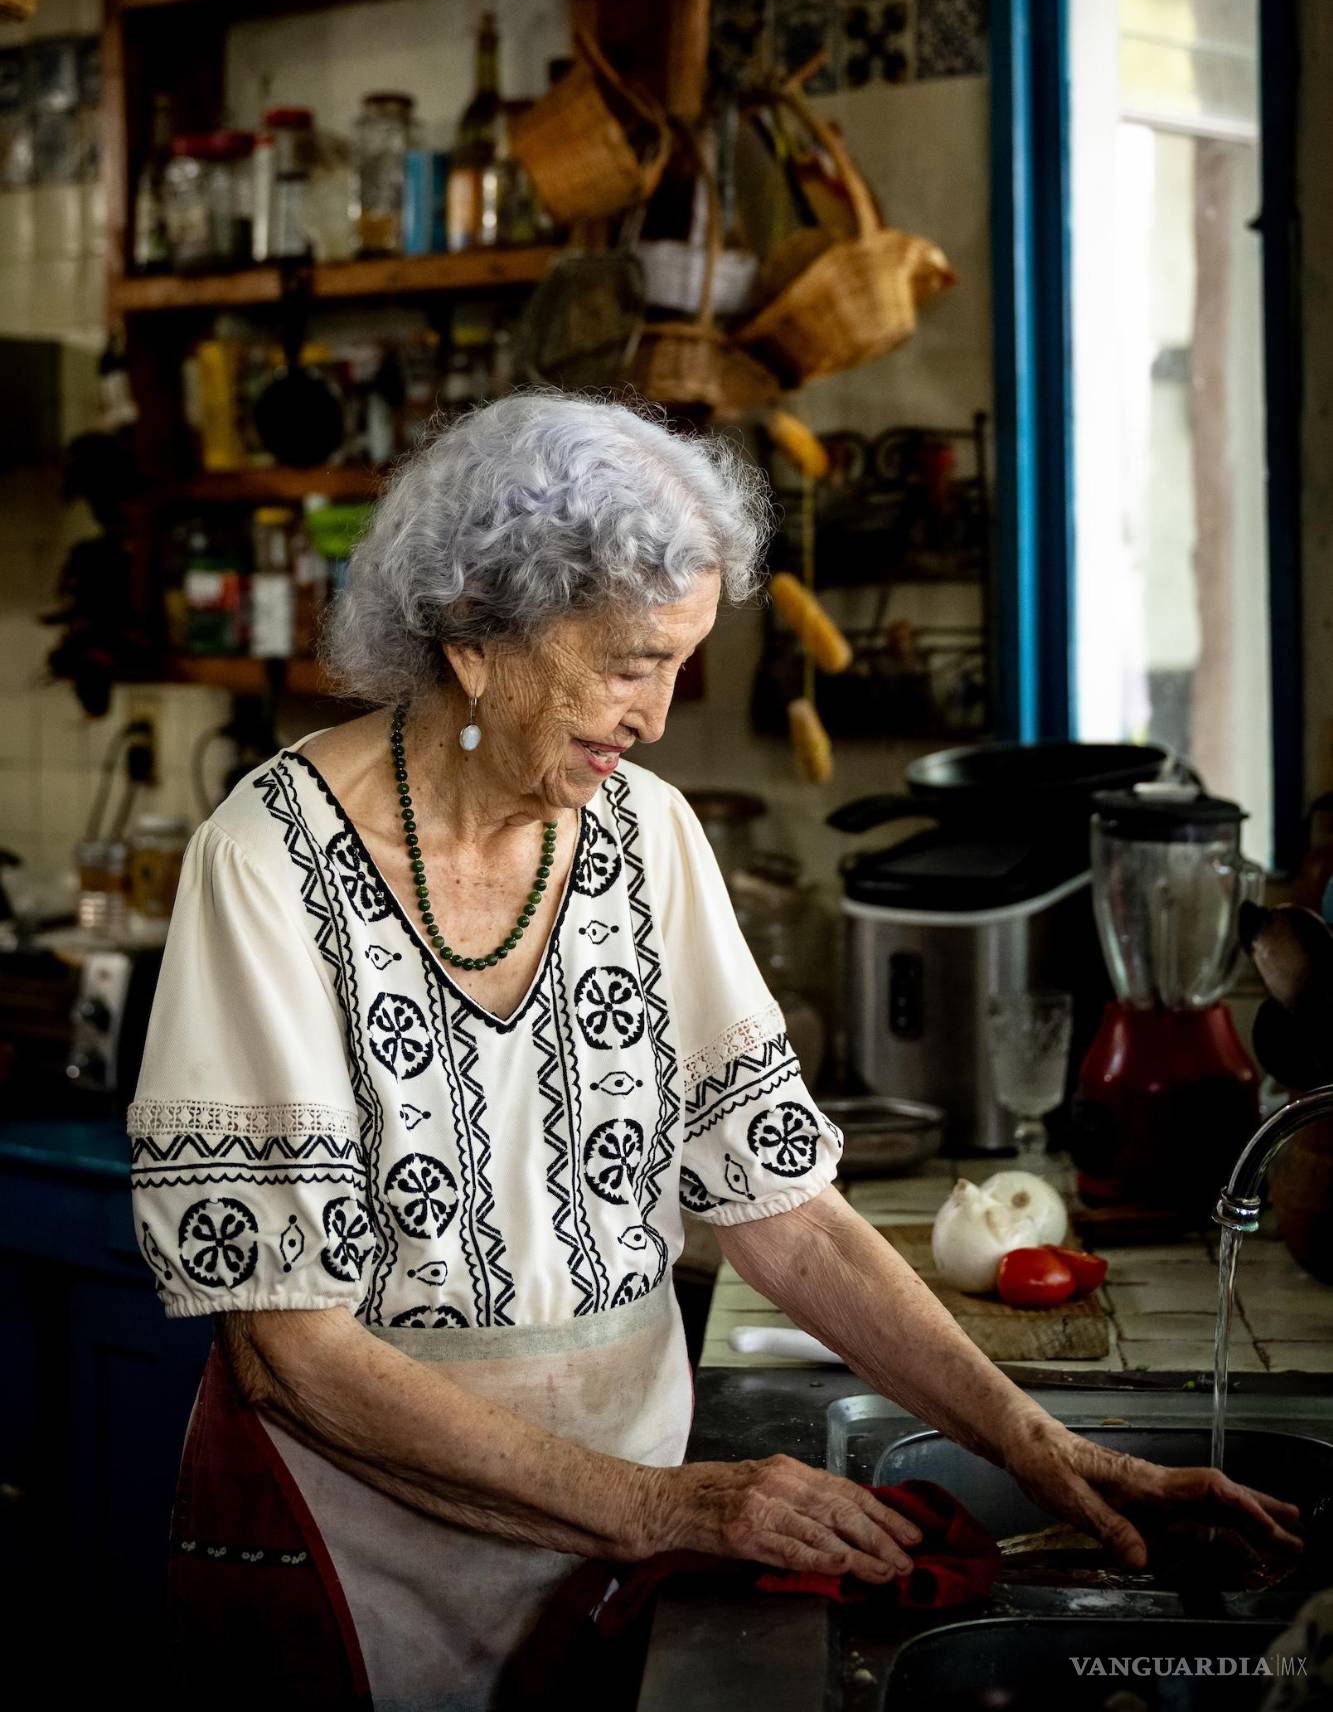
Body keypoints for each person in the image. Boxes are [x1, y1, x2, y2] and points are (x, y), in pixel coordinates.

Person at [126, 390, 1302, 1711]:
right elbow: (292, 1348)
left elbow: (786, 1220)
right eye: (630, 660)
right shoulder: (268, 860)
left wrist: (1045, 1450)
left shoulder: (648, 836)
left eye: (681, 663)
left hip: (626, 1541)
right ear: (473, 629)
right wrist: (662, 1507)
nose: (658, 713)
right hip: (357, 1545)